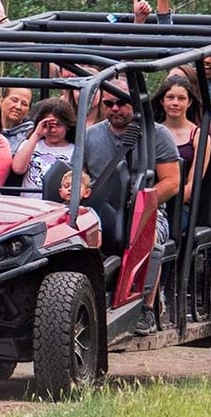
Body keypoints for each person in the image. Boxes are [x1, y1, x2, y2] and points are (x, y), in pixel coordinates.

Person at [84, 80, 180, 333]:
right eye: (109, 104)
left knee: (146, 236)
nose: (115, 109)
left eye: (122, 103)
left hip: (148, 210)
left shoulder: (157, 134)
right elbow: (80, 175)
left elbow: (172, 182)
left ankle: (146, 308)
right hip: (99, 210)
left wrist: (140, 205)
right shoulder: (90, 135)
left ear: (135, 104)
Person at [150, 75, 211, 203]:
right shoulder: (151, 132)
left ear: (189, 102)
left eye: (181, 98)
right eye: (170, 97)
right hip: (151, 200)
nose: (175, 103)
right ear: (162, 101)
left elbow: (192, 185)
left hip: (181, 205)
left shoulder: (199, 136)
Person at [9, 98, 76, 197]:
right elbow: (18, 169)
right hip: (28, 204)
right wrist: (36, 134)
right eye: (49, 125)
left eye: (58, 125)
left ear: (67, 125)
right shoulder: (31, 144)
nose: (53, 130)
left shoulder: (74, 150)